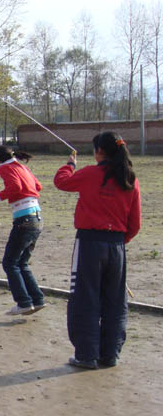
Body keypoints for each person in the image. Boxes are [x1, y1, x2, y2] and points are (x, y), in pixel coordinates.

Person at [54, 132, 142, 370]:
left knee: (85, 298)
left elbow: (61, 181)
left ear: (99, 151)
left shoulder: (90, 174)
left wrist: (69, 164)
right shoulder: (130, 178)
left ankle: (86, 355)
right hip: (117, 246)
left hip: (90, 243)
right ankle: (110, 354)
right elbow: (135, 223)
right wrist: (118, 242)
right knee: (115, 301)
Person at [0, 145, 45, 316]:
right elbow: (38, 186)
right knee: (21, 263)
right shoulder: (22, 167)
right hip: (37, 218)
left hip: (24, 220)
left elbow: (15, 187)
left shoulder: (5, 168)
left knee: (9, 263)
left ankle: (24, 302)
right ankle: (37, 299)